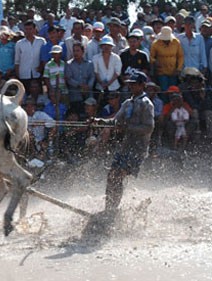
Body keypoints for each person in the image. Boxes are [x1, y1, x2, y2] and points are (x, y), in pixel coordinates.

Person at [94, 71, 154, 213]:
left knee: (118, 174)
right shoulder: (127, 103)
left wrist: (127, 128)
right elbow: (115, 121)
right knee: (111, 176)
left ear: (141, 85)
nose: (130, 87)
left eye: (134, 84)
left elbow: (149, 127)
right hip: (125, 147)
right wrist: (99, 121)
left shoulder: (147, 104)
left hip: (138, 149)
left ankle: (112, 210)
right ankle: (109, 208)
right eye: (130, 84)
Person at [15, 20, 46, 91]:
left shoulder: (41, 41)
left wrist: (42, 68)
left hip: (37, 74)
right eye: (26, 29)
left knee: (38, 96)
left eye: (30, 29)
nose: (28, 31)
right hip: (24, 75)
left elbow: (44, 57)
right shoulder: (19, 44)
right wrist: (18, 76)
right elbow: (17, 61)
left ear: (35, 29)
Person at [150, 26, 184, 91]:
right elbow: (151, 57)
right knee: (164, 89)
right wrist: (155, 61)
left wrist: (179, 68)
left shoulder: (176, 42)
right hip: (161, 72)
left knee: (173, 90)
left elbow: (180, 56)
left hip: (173, 71)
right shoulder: (155, 44)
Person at [65, 43, 95, 114]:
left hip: (88, 94)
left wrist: (88, 86)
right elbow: (69, 79)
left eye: (78, 51)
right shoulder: (69, 64)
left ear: (83, 51)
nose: (75, 53)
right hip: (75, 95)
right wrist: (80, 85)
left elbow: (92, 76)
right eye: (74, 51)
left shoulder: (89, 64)